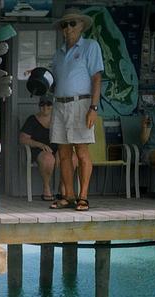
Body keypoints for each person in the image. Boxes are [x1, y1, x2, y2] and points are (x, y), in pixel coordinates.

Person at [48, 8, 104, 212]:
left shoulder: (91, 46)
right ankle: (68, 196)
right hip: (59, 103)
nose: (68, 28)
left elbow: (97, 78)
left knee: (81, 150)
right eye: (65, 24)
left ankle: (83, 196)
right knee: (63, 152)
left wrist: (93, 107)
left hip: (81, 103)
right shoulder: (59, 52)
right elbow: (53, 80)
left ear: (82, 26)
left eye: (73, 23)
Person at [19, 93, 77, 201]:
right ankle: (46, 187)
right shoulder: (32, 119)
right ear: (39, 105)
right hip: (40, 150)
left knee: (72, 158)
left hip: (59, 148)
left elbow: (68, 135)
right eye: (42, 104)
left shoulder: (59, 119)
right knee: (48, 159)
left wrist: (61, 150)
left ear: (53, 105)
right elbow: (23, 138)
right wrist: (40, 145)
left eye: (48, 104)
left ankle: (63, 185)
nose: (45, 107)